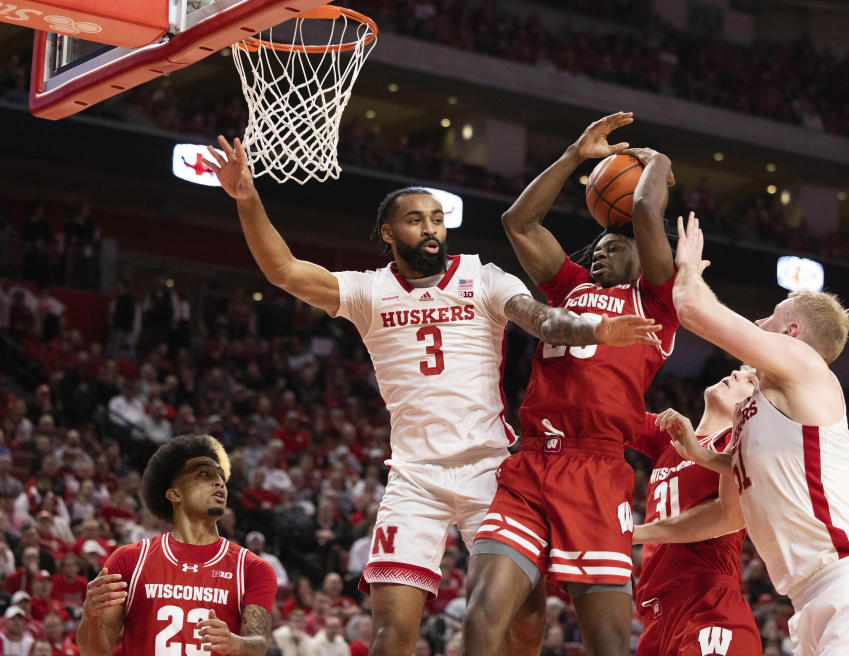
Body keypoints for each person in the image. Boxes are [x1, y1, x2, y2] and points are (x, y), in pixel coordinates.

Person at [204, 135, 660, 656]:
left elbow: (542, 318)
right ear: (387, 232)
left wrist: (593, 331)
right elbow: (284, 270)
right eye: (416, 219)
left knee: (524, 623)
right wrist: (247, 199)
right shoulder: (367, 290)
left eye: (437, 219)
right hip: (414, 476)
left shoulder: (481, 276)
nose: (430, 228)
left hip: (491, 469)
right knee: (390, 636)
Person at [632, 214, 849, 654]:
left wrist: (687, 268)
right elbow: (741, 499)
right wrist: (701, 455)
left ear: (792, 332)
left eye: (770, 316)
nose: (758, 322)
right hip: (808, 601)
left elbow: (693, 310)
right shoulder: (758, 409)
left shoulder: (805, 366)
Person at [465, 112, 680, 656]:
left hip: (597, 468)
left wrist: (657, 164)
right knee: (482, 615)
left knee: (607, 646)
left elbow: (648, 209)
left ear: (642, 253)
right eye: (598, 247)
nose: (601, 251)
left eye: (614, 245)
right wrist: (574, 158)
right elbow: (519, 223)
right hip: (531, 462)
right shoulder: (568, 287)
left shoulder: (657, 303)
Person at [75, 434, 277, 656]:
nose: (219, 482)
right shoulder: (129, 560)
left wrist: (235, 643)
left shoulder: (252, 568)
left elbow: (258, 644)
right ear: (174, 493)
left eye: (221, 477)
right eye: (204, 475)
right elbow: (93, 652)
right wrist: (90, 616)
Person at [629, 368, 762, 655]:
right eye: (740, 370)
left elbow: (729, 516)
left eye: (751, 380)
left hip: (709, 605)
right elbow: (605, 415)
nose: (738, 372)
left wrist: (631, 533)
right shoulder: (668, 438)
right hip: (656, 617)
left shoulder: (737, 443)